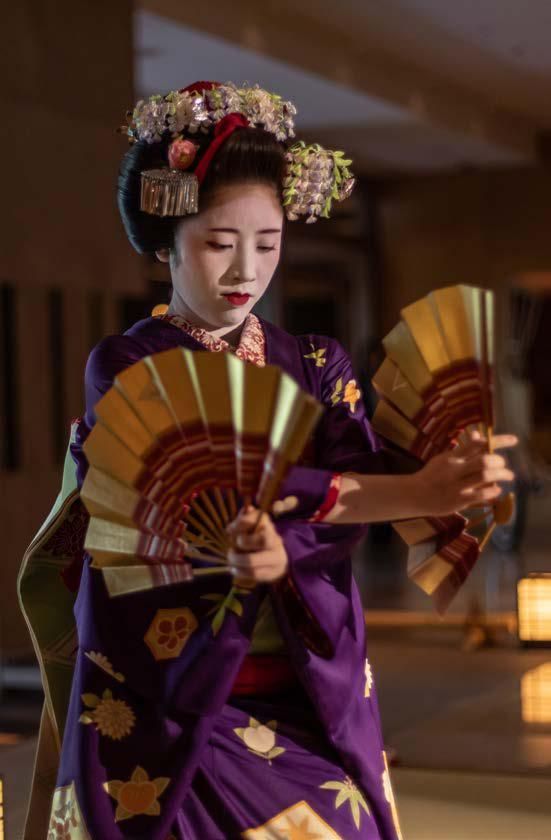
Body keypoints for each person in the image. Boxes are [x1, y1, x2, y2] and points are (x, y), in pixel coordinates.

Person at [19, 81, 515, 840]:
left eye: (269, 242)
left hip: (302, 684)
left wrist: (441, 472)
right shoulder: (127, 366)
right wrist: (402, 489)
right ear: (163, 243)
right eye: (219, 244)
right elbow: (201, 491)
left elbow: (365, 479)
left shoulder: (314, 361)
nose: (245, 271)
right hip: (172, 691)